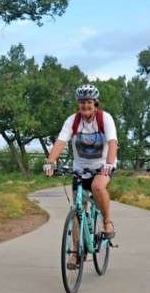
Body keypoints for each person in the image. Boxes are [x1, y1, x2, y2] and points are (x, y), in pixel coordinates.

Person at [43, 84, 117, 240]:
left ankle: (107, 222)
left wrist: (109, 164)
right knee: (78, 208)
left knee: (97, 187)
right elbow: (61, 142)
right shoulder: (73, 120)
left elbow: (112, 142)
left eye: (89, 102)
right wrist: (50, 162)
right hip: (80, 170)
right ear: (78, 104)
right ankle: (76, 254)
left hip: (102, 167)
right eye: (82, 102)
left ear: (95, 103)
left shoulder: (104, 118)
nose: (85, 105)